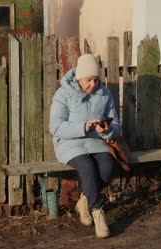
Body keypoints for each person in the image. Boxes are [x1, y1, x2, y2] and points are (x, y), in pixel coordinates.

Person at [49, 54, 119, 239]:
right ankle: (97, 212)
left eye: (96, 80)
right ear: (80, 78)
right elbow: (55, 127)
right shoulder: (63, 94)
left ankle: (84, 200)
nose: (93, 84)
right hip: (69, 144)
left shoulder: (105, 94)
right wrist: (82, 127)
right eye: (89, 80)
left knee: (107, 168)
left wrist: (106, 130)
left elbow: (116, 124)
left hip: (96, 142)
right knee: (88, 167)